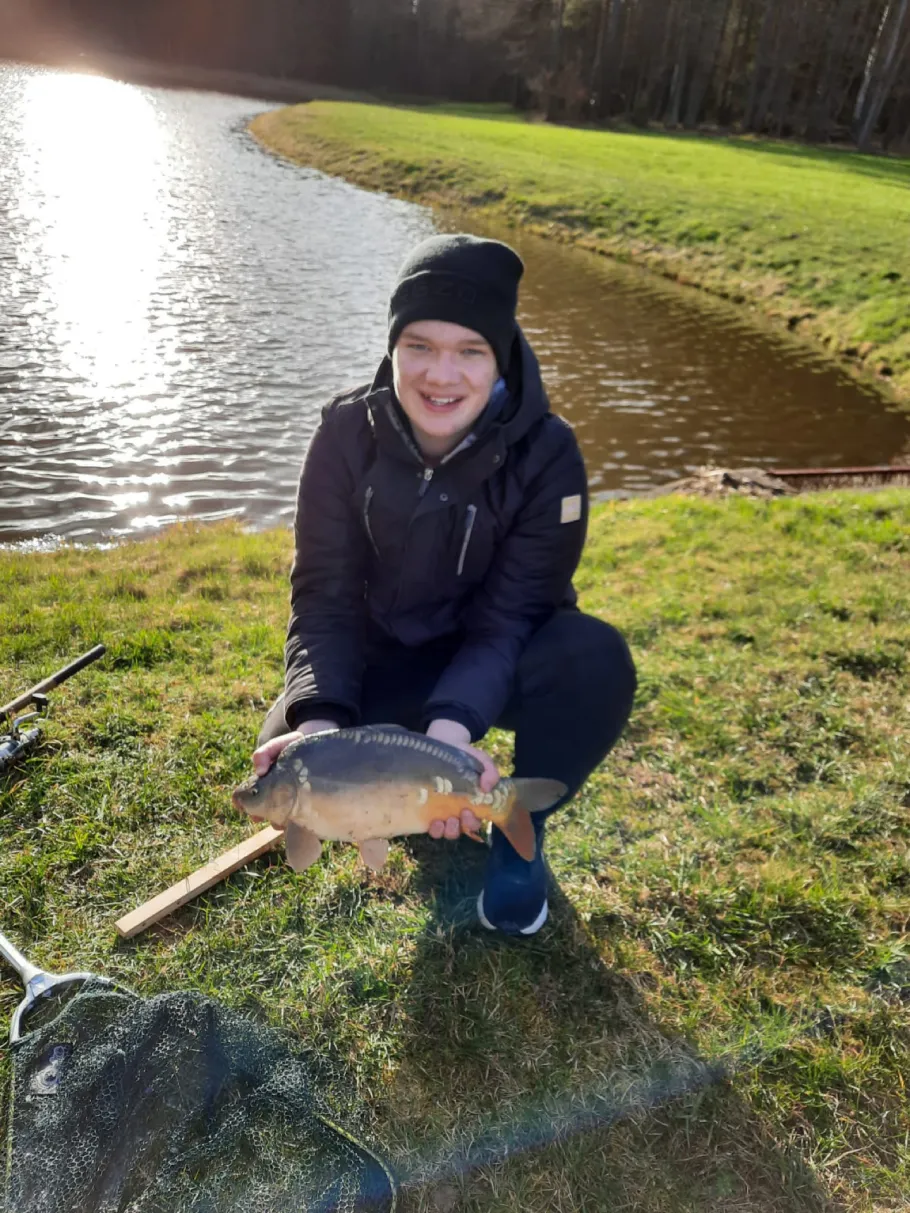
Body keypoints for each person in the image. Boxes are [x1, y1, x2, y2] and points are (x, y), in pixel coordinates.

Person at [253, 233, 636, 937]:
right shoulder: (342, 433)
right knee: (288, 745)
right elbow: (324, 596)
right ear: (393, 347)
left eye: (470, 351)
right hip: (383, 655)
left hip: (493, 661)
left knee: (595, 662)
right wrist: (322, 728)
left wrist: (450, 739)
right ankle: (402, 797)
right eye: (419, 345)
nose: (440, 374)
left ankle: (519, 829)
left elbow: (509, 618)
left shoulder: (549, 455)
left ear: (500, 358)